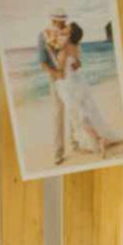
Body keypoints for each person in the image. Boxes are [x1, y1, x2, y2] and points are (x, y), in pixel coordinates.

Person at [52, 22, 112, 157]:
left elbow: (60, 68)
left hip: (68, 83)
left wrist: (55, 56)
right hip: (78, 81)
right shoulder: (76, 46)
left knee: (79, 116)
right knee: (84, 112)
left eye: (67, 27)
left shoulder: (64, 47)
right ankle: (97, 137)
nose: (65, 28)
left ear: (70, 33)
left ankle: (98, 138)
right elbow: (78, 64)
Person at [37, 8, 73, 165]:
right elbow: (42, 62)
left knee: (74, 109)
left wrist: (75, 63)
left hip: (70, 75)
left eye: (64, 20)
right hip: (56, 78)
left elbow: (73, 53)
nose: (62, 23)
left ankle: (76, 142)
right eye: (60, 21)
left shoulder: (67, 33)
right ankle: (58, 153)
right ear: (53, 20)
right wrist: (56, 73)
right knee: (58, 113)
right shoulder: (43, 35)